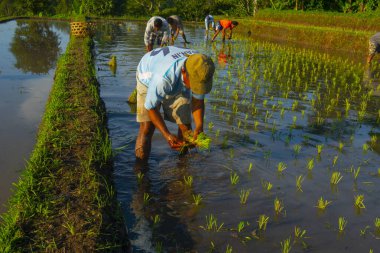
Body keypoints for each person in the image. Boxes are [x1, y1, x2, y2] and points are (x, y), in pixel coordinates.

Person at [135, 46, 215, 162]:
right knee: (147, 127)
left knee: (186, 128)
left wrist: (199, 126)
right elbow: (150, 107)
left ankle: (182, 169)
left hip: (174, 77)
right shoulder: (162, 78)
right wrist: (167, 135)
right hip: (147, 76)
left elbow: (198, 100)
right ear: (184, 72)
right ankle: (140, 169)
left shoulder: (200, 66)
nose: (195, 88)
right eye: (194, 84)